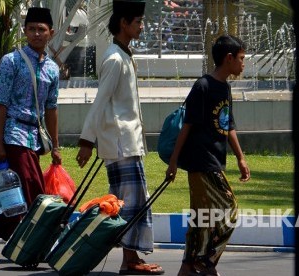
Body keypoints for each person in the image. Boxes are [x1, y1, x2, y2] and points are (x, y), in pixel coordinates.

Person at [75, 0, 164, 274]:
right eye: (138, 21)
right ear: (124, 23)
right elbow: (100, 102)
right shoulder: (115, 58)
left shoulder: (124, 55)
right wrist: (87, 142)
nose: (142, 26)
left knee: (128, 201)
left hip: (125, 142)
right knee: (132, 201)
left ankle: (131, 257)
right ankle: (129, 260)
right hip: (121, 143)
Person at [0, 7, 61, 259]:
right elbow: (0, 103)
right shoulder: (12, 61)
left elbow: (52, 109)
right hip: (14, 133)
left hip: (36, 138)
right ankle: (37, 243)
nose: (36, 34)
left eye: (42, 29)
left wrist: (56, 146)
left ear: (51, 33)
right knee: (32, 188)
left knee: (18, 193)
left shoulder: (53, 69)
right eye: (31, 29)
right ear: (25, 31)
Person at [166, 35, 251, 276]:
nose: (244, 64)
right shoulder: (202, 86)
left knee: (201, 219)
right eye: (241, 59)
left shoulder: (225, 87)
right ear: (229, 58)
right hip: (202, 162)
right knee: (230, 210)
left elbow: (229, 124)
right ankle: (206, 262)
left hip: (215, 160)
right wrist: (173, 162)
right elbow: (187, 126)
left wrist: (240, 157)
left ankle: (187, 268)